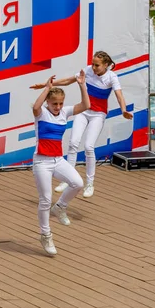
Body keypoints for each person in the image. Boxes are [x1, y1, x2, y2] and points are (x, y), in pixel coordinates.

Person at [31, 51, 133, 198]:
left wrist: (124, 110)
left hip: (98, 114)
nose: (93, 67)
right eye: (92, 63)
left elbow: (119, 95)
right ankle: (67, 179)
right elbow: (67, 81)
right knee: (73, 143)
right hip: (83, 111)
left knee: (88, 147)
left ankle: (90, 183)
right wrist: (45, 85)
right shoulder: (87, 71)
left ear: (106, 65)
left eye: (97, 65)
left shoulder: (112, 77)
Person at [32, 72, 90, 255]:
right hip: (42, 162)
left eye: (60, 103)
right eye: (54, 103)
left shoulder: (64, 112)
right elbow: (35, 106)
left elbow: (86, 105)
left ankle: (60, 207)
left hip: (58, 160)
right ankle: (46, 234)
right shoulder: (41, 114)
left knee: (78, 183)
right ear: (48, 103)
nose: (58, 107)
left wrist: (81, 84)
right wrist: (47, 88)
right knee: (45, 200)